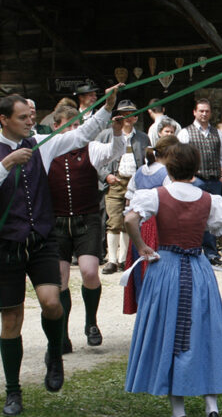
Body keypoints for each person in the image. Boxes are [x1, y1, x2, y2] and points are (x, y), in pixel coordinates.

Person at [0, 86, 119, 417]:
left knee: (53, 303)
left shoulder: (42, 142)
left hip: (41, 240)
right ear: (4, 120)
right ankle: (14, 391)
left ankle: (54, 352)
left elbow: (82, 134)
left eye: (31, 116)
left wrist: (106, 108)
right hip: (6, 246)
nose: (30, 121)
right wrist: (7, 164)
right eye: (23, 118)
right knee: (11, 319)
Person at [124, 142, 222, 417]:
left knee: (169, 334)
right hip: (198, 270)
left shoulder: (156, 196)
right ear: (196, 168)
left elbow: (129, 218)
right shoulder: (209, 200)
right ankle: (212, 411)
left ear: (169, 167)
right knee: (204, 334)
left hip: (166, 270)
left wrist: (141, 246)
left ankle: (179, 413)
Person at [48, 106, 125, 352]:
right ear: (55, 126)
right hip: (57, 222)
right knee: (60, 278)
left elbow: (115, 152)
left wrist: (116, 132)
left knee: (90, 271)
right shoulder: (48, 151)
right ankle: (62, 333)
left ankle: (91, 323)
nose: (73, 130)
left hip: (87, 219)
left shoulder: (90, 148)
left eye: (76, 125)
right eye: (68, 125)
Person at [122, 136, 179, 314]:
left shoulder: (139, 172)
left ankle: (143, 307)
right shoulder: (166, 174)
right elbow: (171, 202)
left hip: (138, 226)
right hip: (156, 227)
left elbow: (128, 201)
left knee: (142, 268)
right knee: (157, 269)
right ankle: (158, 309)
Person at [97, 100, 150, 275]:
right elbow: (95, 159)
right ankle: (111, 259)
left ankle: (123, 259)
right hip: (115, 180)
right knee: (113, 221)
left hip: (135, 183)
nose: (128, 117)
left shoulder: (142, 137)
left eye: (131, 113)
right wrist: (106, 176)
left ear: (136, 117)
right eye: (123, 114)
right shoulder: (106, 135)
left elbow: (148, 161)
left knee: (130, 220)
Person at [178, 99, 222, 265]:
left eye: (207, 111)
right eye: (201, 111)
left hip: (214, 180)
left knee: (214, 217)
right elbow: (181, 157)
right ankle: (193, 250)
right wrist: (188, 178)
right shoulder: (185, 133)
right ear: (194, 112)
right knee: (193, 216)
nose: (204, 114)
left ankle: (212, 253)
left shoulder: (217, 133)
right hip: (195, 180)